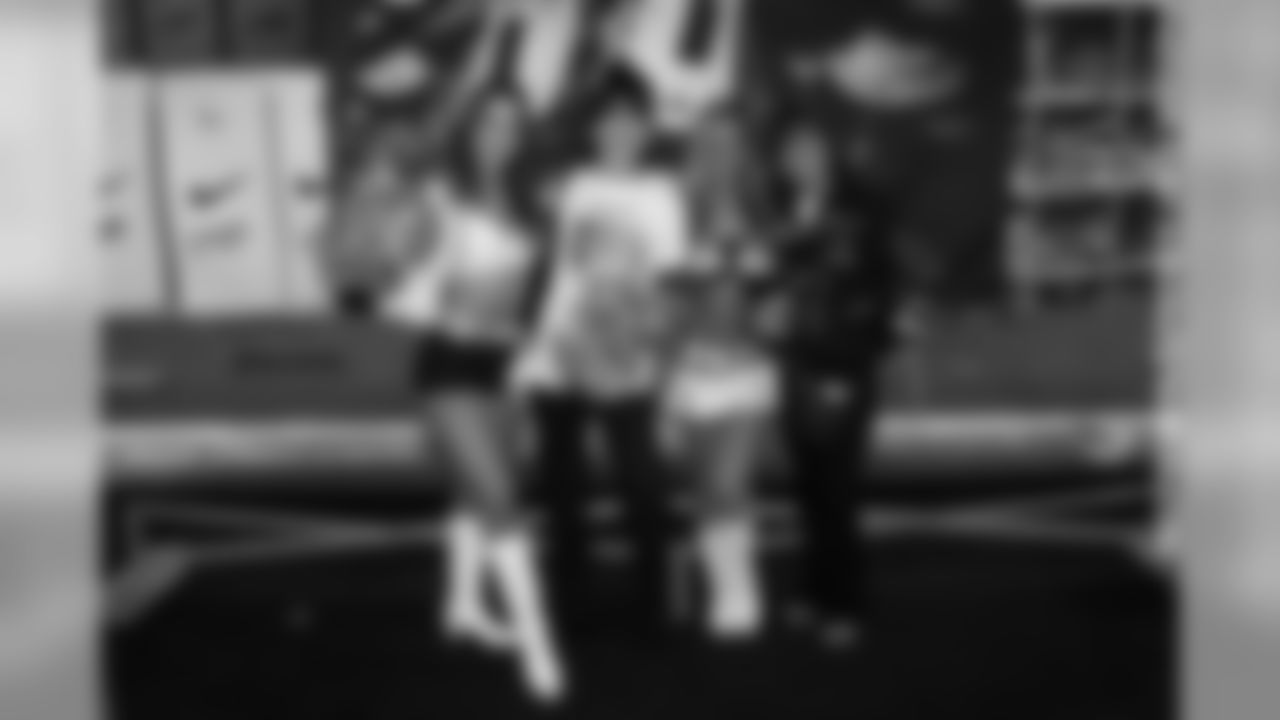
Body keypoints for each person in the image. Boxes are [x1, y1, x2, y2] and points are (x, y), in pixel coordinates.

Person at [380, 88, 566, 704]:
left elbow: (540, 292)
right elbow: (389, 273)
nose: (500, 132)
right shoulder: (439, 195)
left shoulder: (534, 203)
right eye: (489, 120)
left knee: (472, 494)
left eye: (512, 123)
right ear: (468, 129)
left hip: (505, 369)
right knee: (503, 502)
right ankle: (537, 644)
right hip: (448, 365)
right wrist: (425, 289)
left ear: (525, 136)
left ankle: (463, 606)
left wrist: (530, 353)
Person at [514, 67, 690, 638]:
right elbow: (552, 272)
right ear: (592, 127)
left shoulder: (663, 194)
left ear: (648, 127)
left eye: (631, 118)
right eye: (608, 118)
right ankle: (569, 609)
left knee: (643, 486)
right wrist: (532, 354)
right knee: (562, 491)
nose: (619, 129)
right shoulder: (569, 187)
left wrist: (664, 371)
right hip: (561, 349)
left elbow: (670, 287)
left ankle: (655, 607)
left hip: (627, 353)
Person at [767, 110, 900, 648]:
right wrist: (764, 309)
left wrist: (847, 368)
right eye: (792, 149)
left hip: (842, 366)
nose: (802, 159)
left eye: (812, 147)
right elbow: (776, 281)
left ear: (830, 153)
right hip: (795, 365)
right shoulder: (781, 209)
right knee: (808, 488)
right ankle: (814, 590)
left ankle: (846, 604)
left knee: (838, 492)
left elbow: (881, 297)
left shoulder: (862, 210)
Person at [663, 104, 775, 641]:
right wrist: (662, 387)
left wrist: (769, 300)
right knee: (708, 492)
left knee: (731, 485)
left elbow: (777, 293)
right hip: (690, 374)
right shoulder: (674, 210)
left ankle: (740, 590)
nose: (721, 151)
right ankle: (721, 586)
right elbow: (663, 301)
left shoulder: (764, 210)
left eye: (731, 140)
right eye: (711, 140)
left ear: (744, 149)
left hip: (747, 371)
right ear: (697, 149)